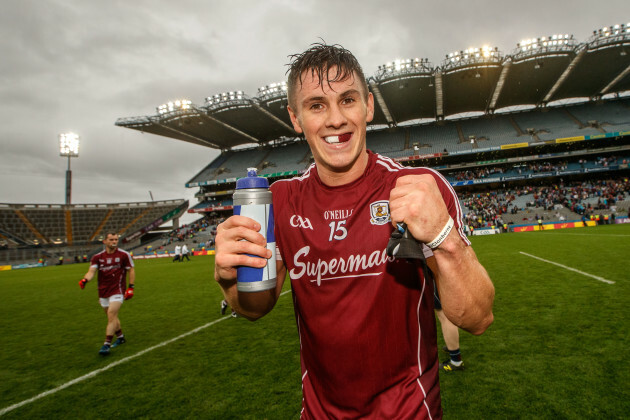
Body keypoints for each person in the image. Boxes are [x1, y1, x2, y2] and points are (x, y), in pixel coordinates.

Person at [213, 42, 494, 418]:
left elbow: (477, 318)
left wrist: (445, 238)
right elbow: (255, 308)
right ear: (296, 119)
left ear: (369, 106)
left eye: (347, 100)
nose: (335, 120)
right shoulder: (278, 201)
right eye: (316, 105)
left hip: (409, 412)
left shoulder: (417, 188)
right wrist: (230, 280)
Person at [79, 232, 135, 356]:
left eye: (116, 239)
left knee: (111, 315)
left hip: (117, 290)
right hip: (103, 291)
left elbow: (131, 270)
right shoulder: (97, 257)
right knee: (112, 317)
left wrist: (131, 287)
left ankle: (106, 345)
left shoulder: (124, 255)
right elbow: (91, 271)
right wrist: (85, 280)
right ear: (104, 241)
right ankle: (120, 337)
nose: (114, 241)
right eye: (111, 239)